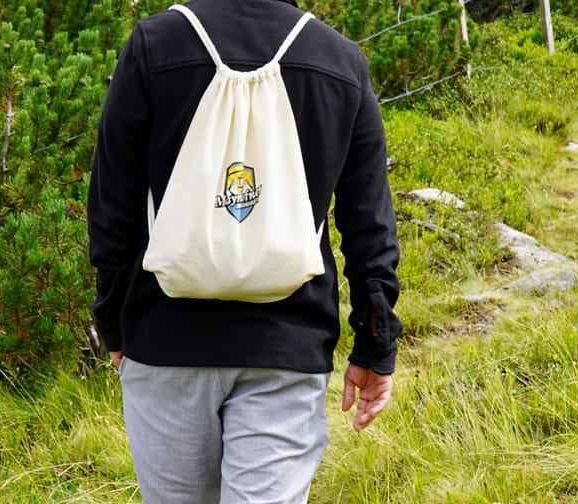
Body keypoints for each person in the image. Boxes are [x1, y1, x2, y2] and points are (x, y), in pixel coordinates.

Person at [86, 0, 402, 501]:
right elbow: (369, 222)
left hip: (166, 341)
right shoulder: (339, 60)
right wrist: (375, 343)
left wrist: (114, 322)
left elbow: (113, 206)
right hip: (287, 348)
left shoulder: (154, 45)